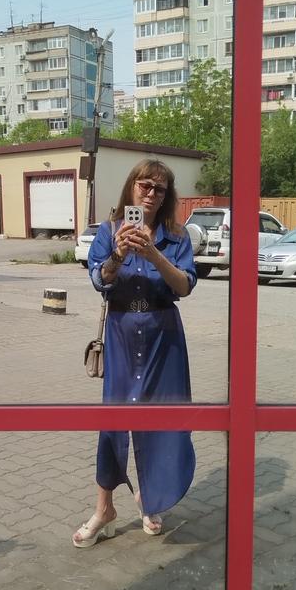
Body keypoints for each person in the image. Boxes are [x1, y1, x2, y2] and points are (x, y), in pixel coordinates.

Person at [73, 159, 196, 548]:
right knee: (113, 421)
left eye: (160, 189)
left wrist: (154, 254)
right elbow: (99, 279)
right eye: (145, 185)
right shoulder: (109, 230)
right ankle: (104, 509)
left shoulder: (177, 236)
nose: (151, 194)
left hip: (163, 337)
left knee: (160, 420)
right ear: (131, 186)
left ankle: (151, 499)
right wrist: (120, 254)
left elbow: (184, 286)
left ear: (167, 196)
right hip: (123, 335)